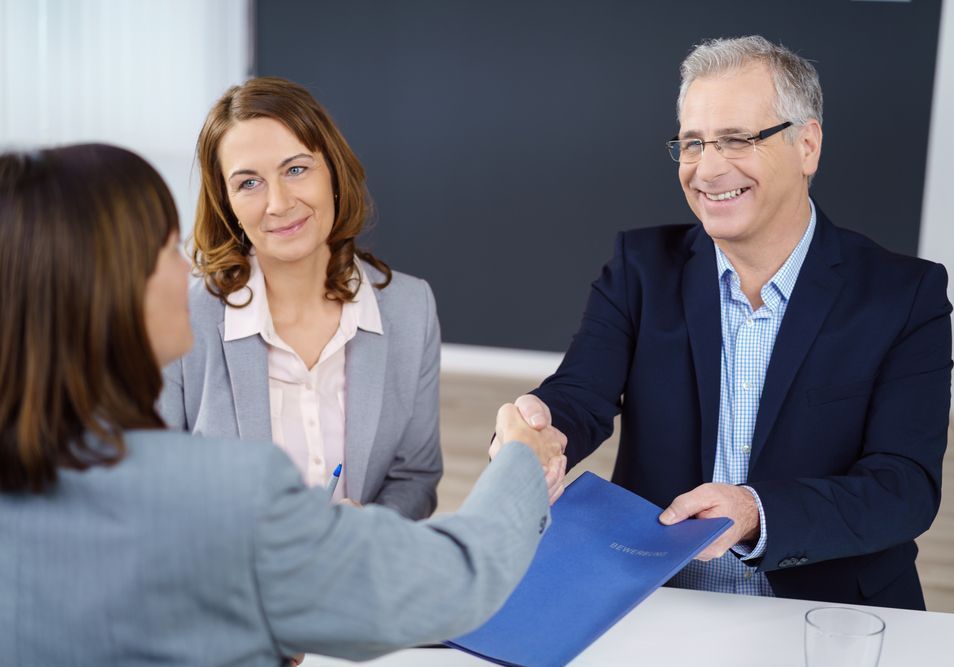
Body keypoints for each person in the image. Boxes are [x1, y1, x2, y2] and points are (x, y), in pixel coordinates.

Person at [0, 144, 564, 665]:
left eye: (296, 168)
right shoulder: (235, 495)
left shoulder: (407, 305)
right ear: (105, 289)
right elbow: (458, 581)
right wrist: (520, 457)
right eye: (166, 249)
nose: (185, 268)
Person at [499, 35, 952, 610]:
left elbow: (904, 487)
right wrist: (542, 429)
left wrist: (755, 512)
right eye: (692, 143)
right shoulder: (641, 267)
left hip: (826, 609)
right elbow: (579, 393)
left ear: (806, 145)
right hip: (655, 597)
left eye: (737, 139)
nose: (708, 170)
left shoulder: (904, 294)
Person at [158, 77, 440, 518]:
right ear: (226, 202)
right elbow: (148, 489)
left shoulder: (411, 307)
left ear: (333, 171)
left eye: (296, 169)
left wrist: (367, 527)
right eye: (249, 183)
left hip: (354, 573)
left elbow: (415, 480)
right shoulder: (179, 315)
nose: (279, 203)